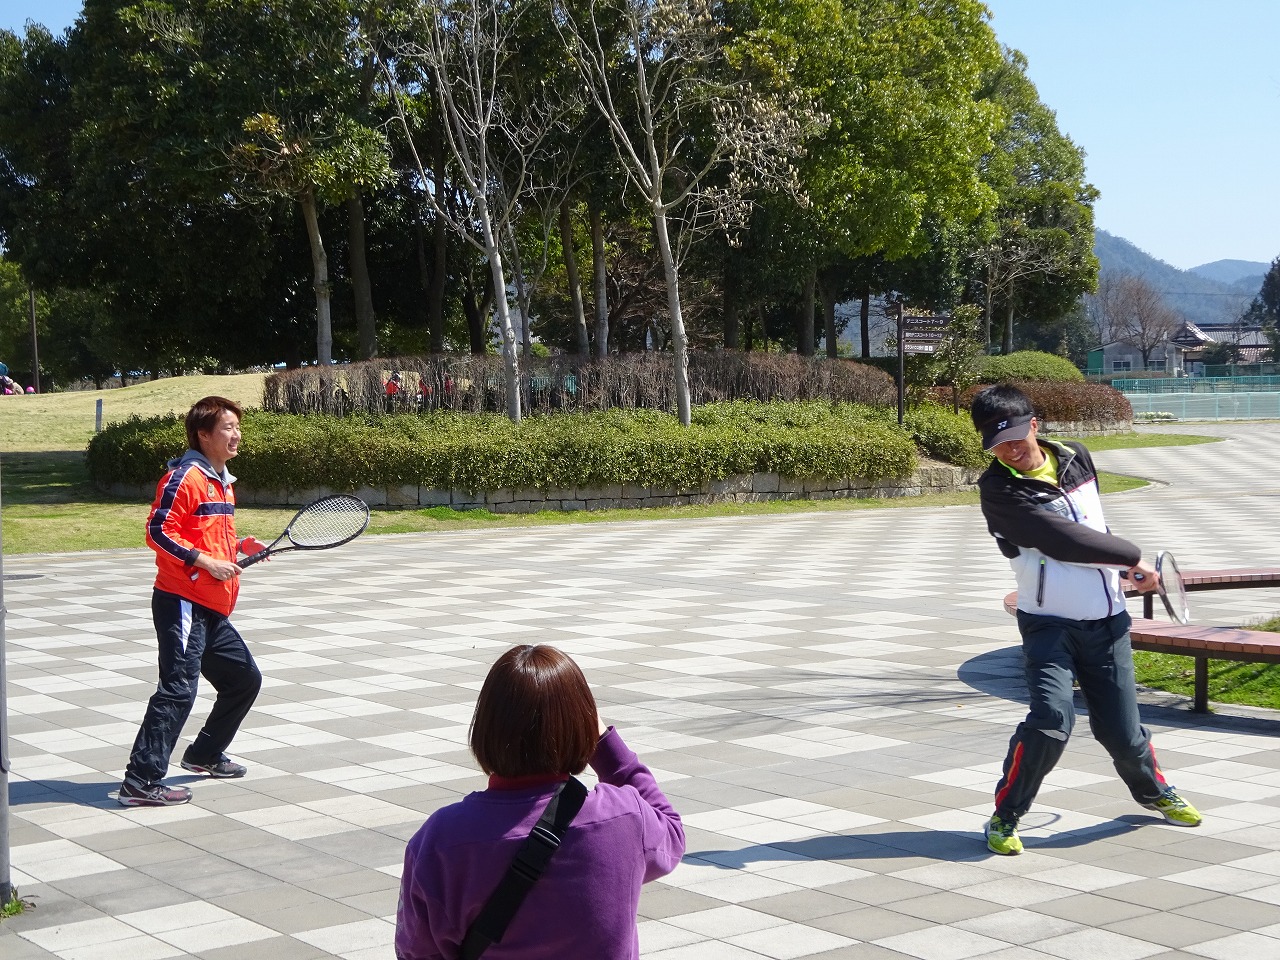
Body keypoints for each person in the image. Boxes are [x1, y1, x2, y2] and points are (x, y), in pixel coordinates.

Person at [970, 384, 1202, 855]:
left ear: (1035, 425)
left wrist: (1122, 570)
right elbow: (1063, 541)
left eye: (1015, 438)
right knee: (1051, 721)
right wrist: (1132, 557)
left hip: (1108, 622)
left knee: (1123, 733)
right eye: (997, 444)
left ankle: (1154, 792)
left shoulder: (1077, 456)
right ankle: (1005, 816)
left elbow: (1094, 527)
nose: (1010, 451)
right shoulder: (998, 490)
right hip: (1048, 624)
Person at [396, 644, 685, 960]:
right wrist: (605, 744)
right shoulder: (623, 817)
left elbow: (417, 952)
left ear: (486, 726)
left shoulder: (441, 840)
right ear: (583, 725)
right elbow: (671, 831)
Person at [119, 396, 268, 807]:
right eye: (227, 428)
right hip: (182, 601)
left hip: (211, 606)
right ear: (203, 435)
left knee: (243, 680)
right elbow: (158, 532)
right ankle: (140, 781)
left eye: (237, 427)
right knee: (178, 690)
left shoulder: (221, 480)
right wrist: (205, 562)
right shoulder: (184, 477)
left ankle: (203, 754)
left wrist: (240, 545)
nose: (237, 434)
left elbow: (203, 535)